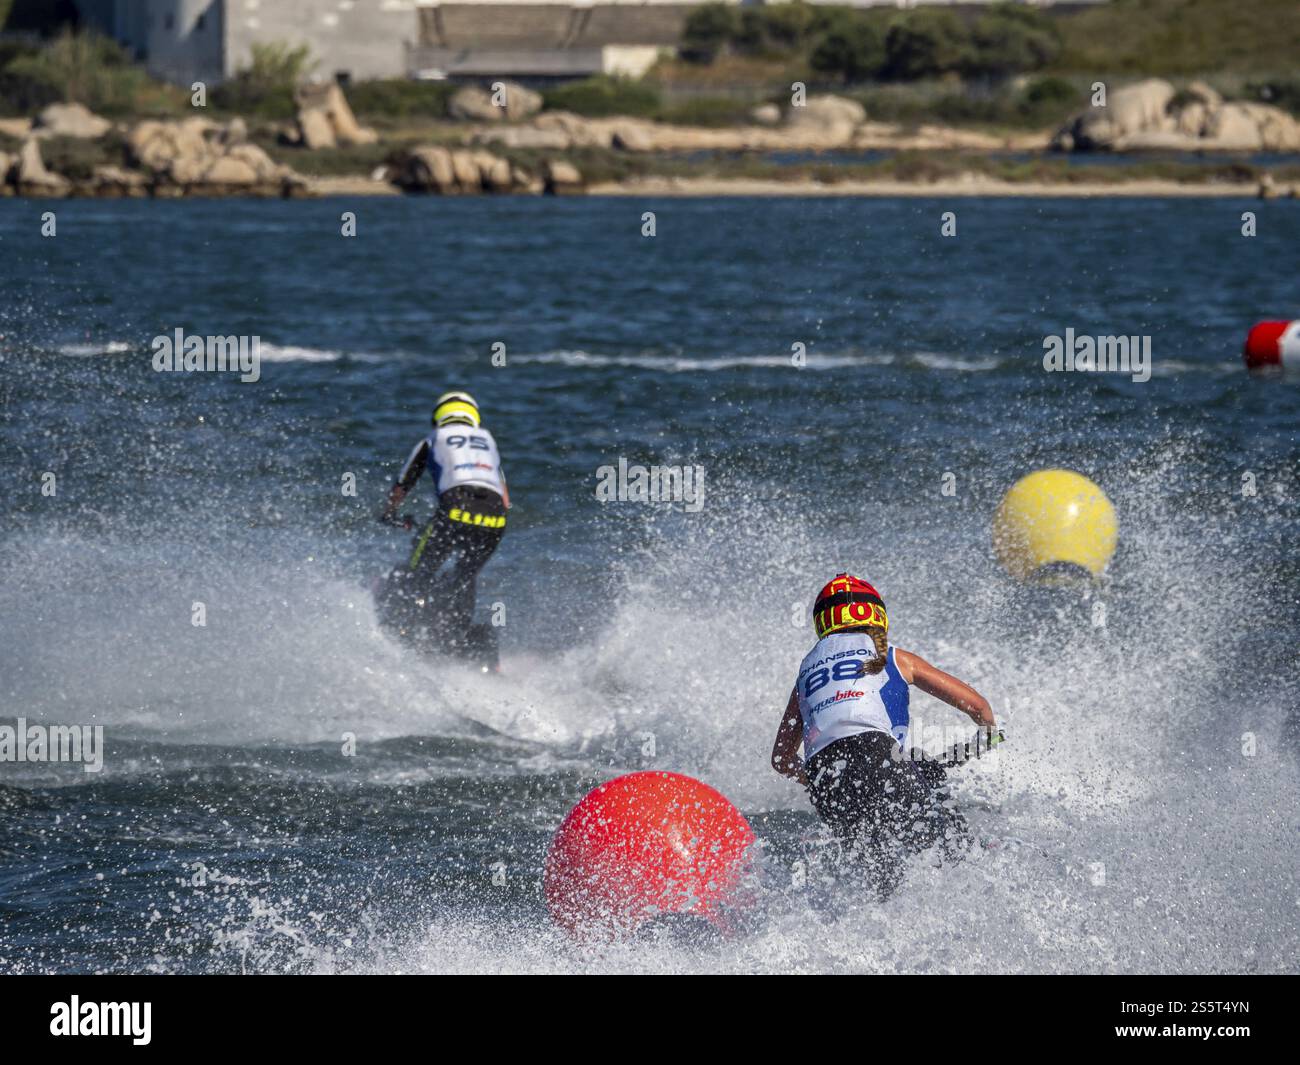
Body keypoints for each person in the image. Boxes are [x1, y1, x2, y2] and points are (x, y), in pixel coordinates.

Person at [770, 573, 999, 899]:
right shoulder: (891, 656)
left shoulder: (805, 672)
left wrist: (818, 778)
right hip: (876, 756)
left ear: (822, 623)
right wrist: (989, 733)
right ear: (877, 618)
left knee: (880, 878)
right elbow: (977, 706)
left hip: (825, 778)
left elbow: (780, 758)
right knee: (946, 845)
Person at [379, 391, 510, 646]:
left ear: (438, 417)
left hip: (454, 511)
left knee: (417, 571)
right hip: (496, 520)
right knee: (464, 577)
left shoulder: (432, 439)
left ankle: (404, 630)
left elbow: (402, 485)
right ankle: (458, 637)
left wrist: (388, 514)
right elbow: (505, 498)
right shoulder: (488, 442)